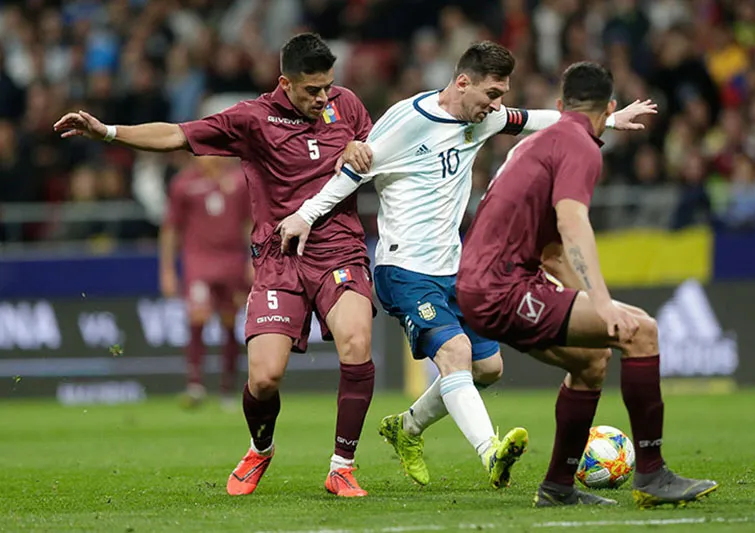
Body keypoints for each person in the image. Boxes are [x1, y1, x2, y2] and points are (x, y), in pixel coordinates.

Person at [276, 42, 656, 488]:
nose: (497, 106)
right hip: (403, 269)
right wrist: (305, 215)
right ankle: (490, 451)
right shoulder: (409, 120)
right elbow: (354, 171)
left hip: (455, 269)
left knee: (488, 369)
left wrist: (606, 119)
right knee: (454, 355)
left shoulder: (485, 118)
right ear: (462, 83)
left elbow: (538, 120)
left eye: (501, 95)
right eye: (492, 94)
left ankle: (408, 428)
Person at [54, 33, 377, 498]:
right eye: (312, 90)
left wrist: (357, 149)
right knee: (264, 379)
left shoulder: (346, 105)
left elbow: (375, 147)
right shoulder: (251, 119)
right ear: (284, 83)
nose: (323, 97)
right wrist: (107, 131)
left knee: (356, 339)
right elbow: (176, 135)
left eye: (328, 86)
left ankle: (341, 466)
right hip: (279, 259)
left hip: (339, 250)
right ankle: (260, 448)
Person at [455, 61, 719, 508]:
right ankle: (652, 476)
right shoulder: (580, 145)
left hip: (482, 284)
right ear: (610, 107)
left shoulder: (542, 142)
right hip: (503, 286)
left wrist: (601, 308)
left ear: (560, 106)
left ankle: (557, 487)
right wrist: (601, 301)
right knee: (642, 332)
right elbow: (573, 221)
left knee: (593, 360)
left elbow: (555, 252)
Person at [159, 155, 251, 409]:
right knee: (197, 317)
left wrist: (254, 259)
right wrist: (167, 269)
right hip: (199, 260)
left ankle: (228, 389)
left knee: (230, 323)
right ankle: (195, 384)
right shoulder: (183, 184)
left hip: (232, 260)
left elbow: (249, 223)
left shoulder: (239, 180)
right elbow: (171, 228)